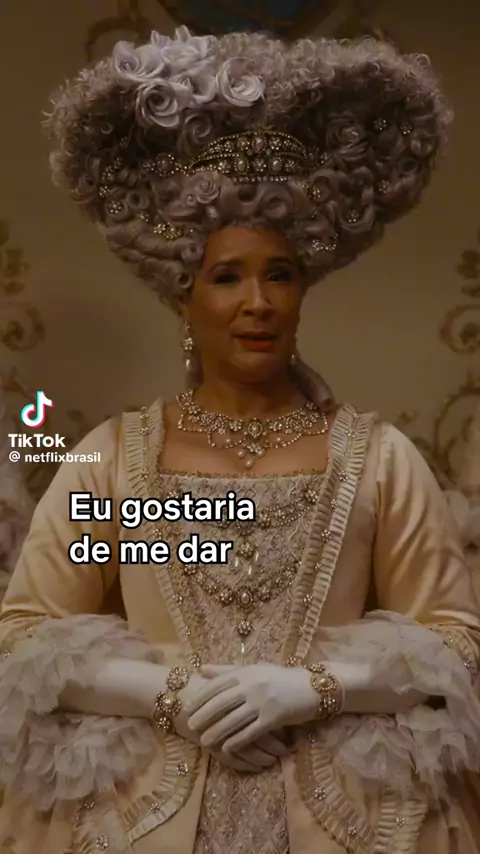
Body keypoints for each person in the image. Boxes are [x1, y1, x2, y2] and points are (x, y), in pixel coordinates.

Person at [0, 26, 479, 854]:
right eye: (228, 277)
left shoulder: (378, 458)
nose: (258, 302)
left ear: (303, 291)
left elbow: (455, 643)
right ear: (183, 295)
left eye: (279, 274)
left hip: (352, 813)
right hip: (138, 811)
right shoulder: (111, 459)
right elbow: (23, 637)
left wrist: (313, 689)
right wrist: (172, 694)